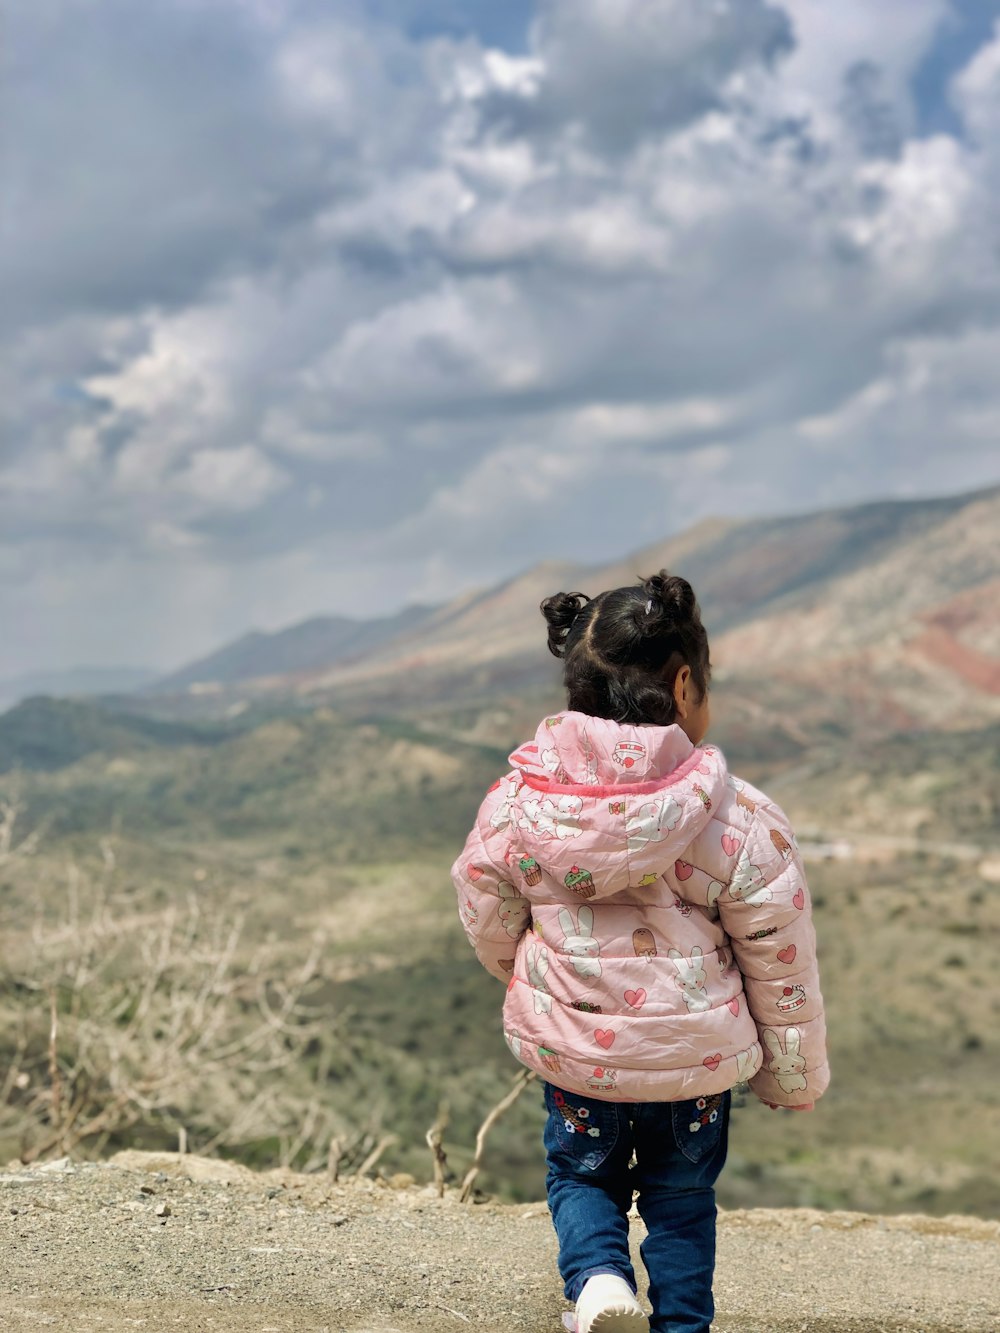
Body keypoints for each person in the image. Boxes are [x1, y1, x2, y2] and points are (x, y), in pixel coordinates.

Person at [451, 571, 829, 1333]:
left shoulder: (516, 805)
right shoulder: (740, 818)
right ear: (684, 682)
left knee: (580, 1175)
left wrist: (540, 984)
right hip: (691, 1072)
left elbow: (487, 911)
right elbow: (780, 964)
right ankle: (681, 1326)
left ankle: (596, 1281)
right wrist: (791, 1076)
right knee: (682, 1202)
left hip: (579, 1057)